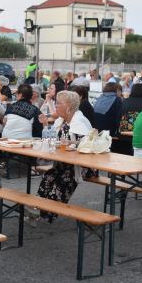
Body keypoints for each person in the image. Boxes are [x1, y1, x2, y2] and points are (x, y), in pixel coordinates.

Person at [37, 91, 94, 221]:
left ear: (68, 106)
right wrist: (45, 124)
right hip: (65, 162)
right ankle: (37, 209)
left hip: (82, 166)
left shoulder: (79, 121)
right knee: (49, 176)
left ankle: (49, 213)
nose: (55, 106)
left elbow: (90, 145)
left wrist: (72, 143)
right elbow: (52, 141)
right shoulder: (62, 121)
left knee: (63, 178)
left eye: (58, 103)